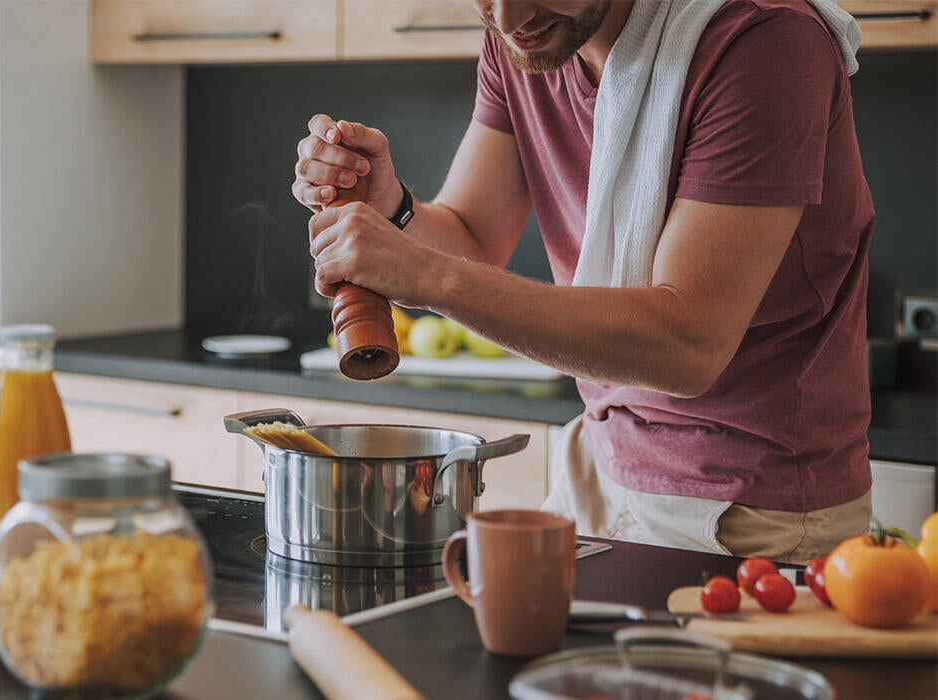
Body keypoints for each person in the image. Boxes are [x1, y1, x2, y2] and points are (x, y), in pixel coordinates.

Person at [292, 0, 874, 564]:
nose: (509, 18)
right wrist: (394, 208)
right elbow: (471, 235)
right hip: (599, 465)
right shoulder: (524, 40)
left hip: (750, 508)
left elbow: (688, 347)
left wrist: (426, 275)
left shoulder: (766, 40)